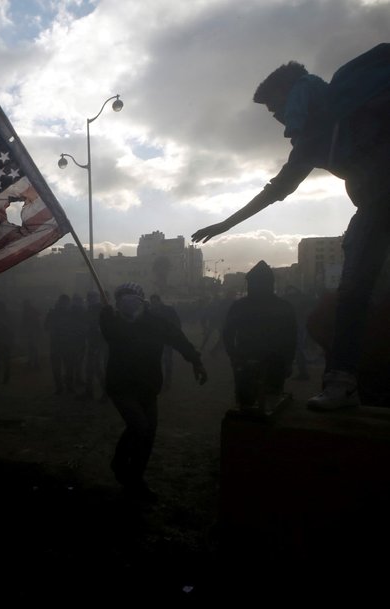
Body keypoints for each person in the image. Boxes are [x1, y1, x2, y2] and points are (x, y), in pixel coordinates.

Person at [191, 45, 390, 410]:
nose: (277, 118)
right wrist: (224, 224)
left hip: (380, 201)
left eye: (274, 108)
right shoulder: (337, 117)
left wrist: (224, 224)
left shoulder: (318, 128)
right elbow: (277, 189)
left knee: (353, 291)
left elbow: (275, 191)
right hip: (376, 204)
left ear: (292, 94)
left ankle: (341, 382)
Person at [100, 282, 208, 502]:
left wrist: (196, 361)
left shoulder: (156, 324)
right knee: (139, 426)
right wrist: (105, 313)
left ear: (143, 302)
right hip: (121, 387)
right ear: (117, 304)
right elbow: (110, 333)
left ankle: (135, 480)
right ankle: (119, 463)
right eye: (123, 300)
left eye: (133, 299)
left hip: (148, 388)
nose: (129, 304)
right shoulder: (113, 323)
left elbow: (178, 338)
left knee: (147, 435)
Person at [222, 261, 298, 411]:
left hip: (253, 360)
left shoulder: (240, 306)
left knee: (248, 406)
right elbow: (291, 338)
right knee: (268, 405)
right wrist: (288, 362)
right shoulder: (283, 306)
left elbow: (227, 333)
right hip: (266, 361)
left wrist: (234, 356)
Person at [149, 294, 181, 391]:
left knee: (167, 361)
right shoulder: (151, 312)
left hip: (167, 339)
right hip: (156, 341)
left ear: (159, 300)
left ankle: (167, 381)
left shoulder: (169, 309)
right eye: (152, 302)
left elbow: (177, 322)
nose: (154, 304)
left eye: (155, 302)